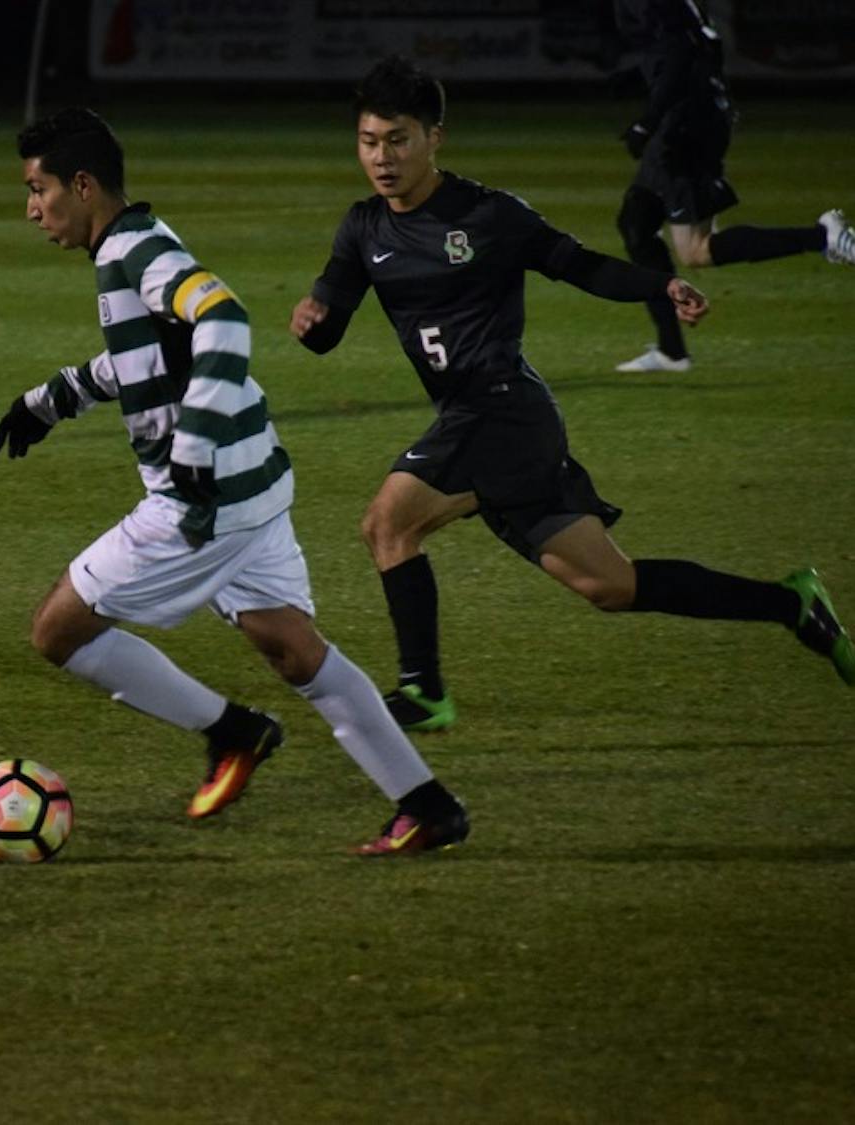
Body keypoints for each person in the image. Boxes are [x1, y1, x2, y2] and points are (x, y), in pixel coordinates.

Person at [289, 55, 854, 733]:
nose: (382, 158)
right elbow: (330, 325)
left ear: (434, 137)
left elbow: (577, 264)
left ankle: (424, 690)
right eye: (369, 142)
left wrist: (661, 286)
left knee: (388, 522)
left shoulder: (489, 214)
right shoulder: (363, 227)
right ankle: (790, 603)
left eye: (398, 140)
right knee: (610, 586)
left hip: (500, 410)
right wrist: (311, 324)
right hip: (489, 421)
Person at [0, 106, 468, 855]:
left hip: (202, 502)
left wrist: (196, 439)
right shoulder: (137, 239)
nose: (30, 209)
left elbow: (225, 318)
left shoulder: (135, 253)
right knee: (293, 649)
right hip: (255, 482)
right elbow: (153, 360)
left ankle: (232, 731)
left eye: (37, 188)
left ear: (81, 185)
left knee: (59, 629)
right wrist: (51, 400)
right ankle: (428, 803)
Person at [612, 0, 854, 373]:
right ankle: (671, 351)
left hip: (684, 122)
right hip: (693, 114)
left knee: (695, 251)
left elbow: (679, 53)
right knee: (636, 221)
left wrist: (650, 120)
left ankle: (823, 237)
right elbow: (699, 46)